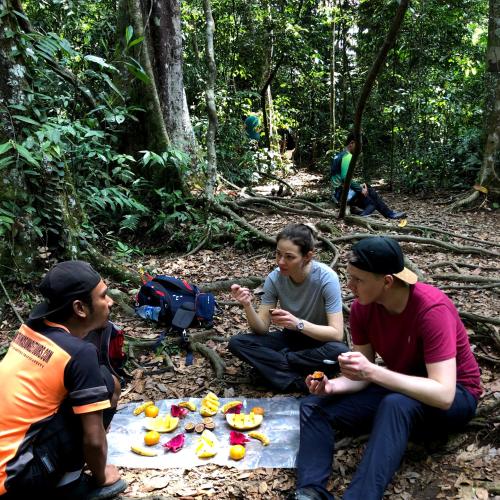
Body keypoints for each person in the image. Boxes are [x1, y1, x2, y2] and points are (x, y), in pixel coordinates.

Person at [293, 237, 482, 500]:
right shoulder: (362, 309)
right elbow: (362, 374)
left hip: (455, 396)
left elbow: (443, 394)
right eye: (350, 277)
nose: (350, 286)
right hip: (401, 384)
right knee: (313, 405)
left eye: (358, 279)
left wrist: (372, 372)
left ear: (387, 281)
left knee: (396, 404)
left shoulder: (431, 310)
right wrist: (331, 386)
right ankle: (309, 491)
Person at [0, 261, 127, 499]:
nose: (110, 302)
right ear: (80, 308)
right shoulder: (79, 354)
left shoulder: (29, 330)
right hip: (15, 482)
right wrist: (102, 477)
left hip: (7, 460)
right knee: (107, 384)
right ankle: (70, 484)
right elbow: (93, 439)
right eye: (103, 296)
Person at [228, 224, 349, 393]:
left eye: (289, 257)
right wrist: (247, 305)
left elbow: (336, 334)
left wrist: (298, 323)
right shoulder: (275, 278)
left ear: (308, 256)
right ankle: (297, 380)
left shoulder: (327, 278)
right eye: (278, 254)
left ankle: (279, 368)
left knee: (339, 351)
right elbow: (261, 329)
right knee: (238, 343)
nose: (281, 262)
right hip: (290, 339)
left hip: (319, 342)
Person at [331, 132, 406, 220]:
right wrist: (360, 189)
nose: (360, 148)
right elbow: (345, 178)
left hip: (338, 193)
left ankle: (389, 214)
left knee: (368, 190)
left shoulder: (339, 155)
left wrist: (360, 186)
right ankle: (385, 215)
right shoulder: (347, 156)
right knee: (372, 201)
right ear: (351, 143)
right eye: (359, 145)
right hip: (342, 195)